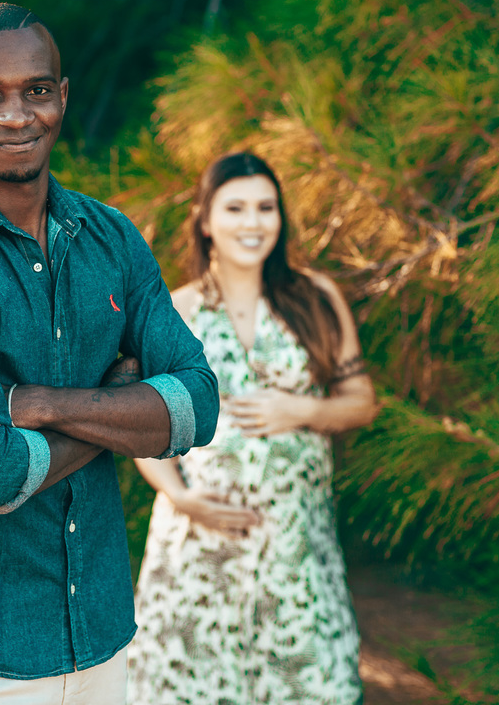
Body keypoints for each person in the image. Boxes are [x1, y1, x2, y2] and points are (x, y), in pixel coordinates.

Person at [0, 3, 219, 705]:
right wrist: (118, 406)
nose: (16, 114)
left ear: (63, 97)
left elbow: (197, 407)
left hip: (99, 638)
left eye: (36, 90)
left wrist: (41, 405)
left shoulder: (112, 239)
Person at [128, 152, 377, 704]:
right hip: (197, 552)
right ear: (205, 220)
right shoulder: (175, 311)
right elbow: (141, 427)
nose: (253, 222)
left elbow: (361, 402)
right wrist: (179, 497)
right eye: (235, 207)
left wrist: (301, 410)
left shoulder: (315, 298)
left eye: (266, 208)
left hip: (295, 550)